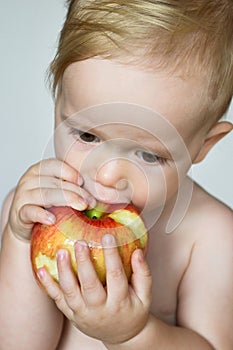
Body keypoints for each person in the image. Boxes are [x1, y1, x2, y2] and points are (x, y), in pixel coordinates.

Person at [0, 1, 233, 349]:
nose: (107, 176)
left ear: (203, 145)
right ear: (58, 98)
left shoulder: (212, 239)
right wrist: (19, 242)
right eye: (87, 136)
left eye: (148, 155)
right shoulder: (37, 208)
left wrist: (134, 334)